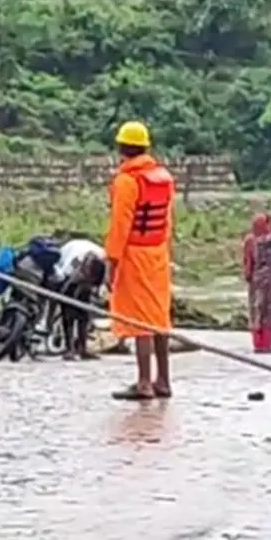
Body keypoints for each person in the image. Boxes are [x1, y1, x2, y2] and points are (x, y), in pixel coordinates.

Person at [105, 121, 176, 401]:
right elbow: (168, 220)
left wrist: (112, 261)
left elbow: (120, 225)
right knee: (159, 317)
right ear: (146, 147)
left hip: (134, 253)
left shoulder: (126, 181)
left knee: (139, 320)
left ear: (121, 148)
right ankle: (164, 381)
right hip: (158, 252)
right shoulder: (163, 177)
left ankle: (144, 382)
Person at [51, 237, 107, 360]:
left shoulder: (102, 256)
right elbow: (62, 282)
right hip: (67, 269)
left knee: (84, 311)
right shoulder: (71, 263)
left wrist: (96, 289)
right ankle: (69, 348)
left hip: (85, 266)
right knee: (68, 311)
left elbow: (104, 277)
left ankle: (83, 348)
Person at [243, 214, 271, 353]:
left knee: (256, 312)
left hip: (256, 281)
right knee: (269, 313)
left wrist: (249, 276)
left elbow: (248, 262)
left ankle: (258, 344)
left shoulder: (250, 240)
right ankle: (267, 343)